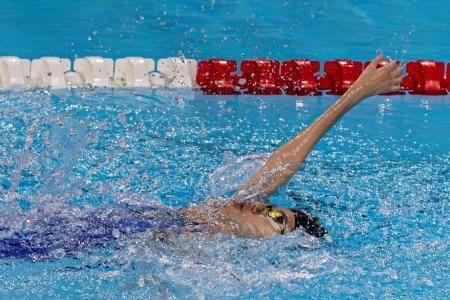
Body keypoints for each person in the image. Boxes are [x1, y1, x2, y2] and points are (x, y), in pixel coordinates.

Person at [0, 55, 402, 259]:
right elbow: (283, 164)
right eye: (271, 205)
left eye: (276, 219)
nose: (261, 206)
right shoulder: (214, 214)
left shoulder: (207, 260)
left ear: (271, 249)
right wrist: (353, 95)